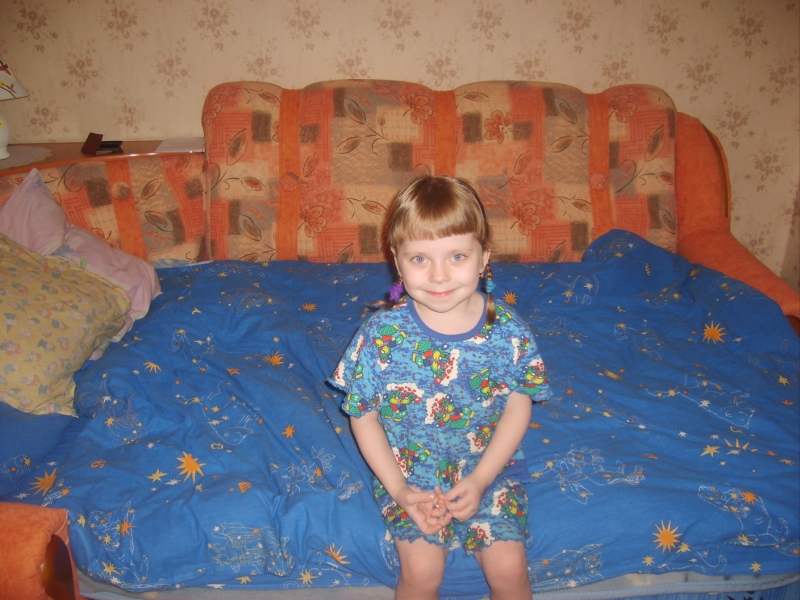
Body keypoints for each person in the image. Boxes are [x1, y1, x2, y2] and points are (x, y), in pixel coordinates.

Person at [329, 175, 551, 600]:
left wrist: (482, 479)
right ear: (397, 262)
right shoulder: (381, 336)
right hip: (410, 473)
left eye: (457, 256)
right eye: (419, 259)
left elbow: (517, 405)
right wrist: (401, 491)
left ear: (484, 257)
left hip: (488, 467)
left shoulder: (509, 332)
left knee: (509, 570)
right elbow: (363, 415)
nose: (438, 275)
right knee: (422, 573)